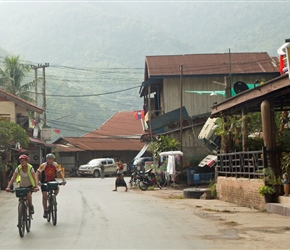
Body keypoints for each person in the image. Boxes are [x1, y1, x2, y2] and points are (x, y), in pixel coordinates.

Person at [36, 153, 66, 218]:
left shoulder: (55, 164)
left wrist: (63, 180)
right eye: (48, 159)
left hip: (52, 180)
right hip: (44, 181)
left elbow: (60, 172)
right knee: (44, 196)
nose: (50, 160)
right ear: (46, 159)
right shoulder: (43, 165)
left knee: (57, 188)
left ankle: (53, 198)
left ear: (53, 160)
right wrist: (38, 182)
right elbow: (37, 173)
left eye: (51, 159)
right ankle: (45, 210)